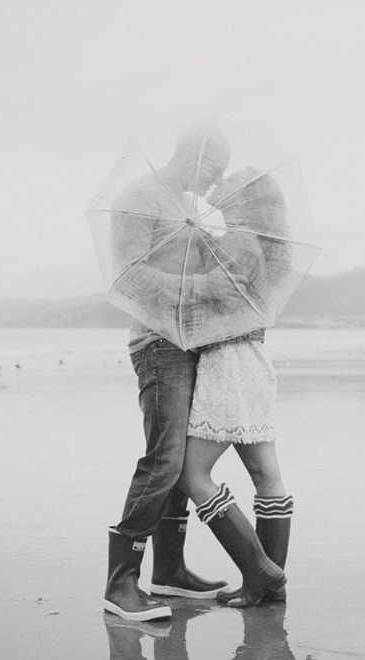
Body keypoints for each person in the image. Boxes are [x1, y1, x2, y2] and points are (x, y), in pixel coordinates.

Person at [102, 127, 248, 622]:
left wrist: (218, 253)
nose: (216, 179)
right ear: (192, 154)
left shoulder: (186, 210)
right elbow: (130, 275)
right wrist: (200, 281)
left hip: (188, 342)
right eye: (214, 167)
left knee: (182, 455)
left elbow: (192, 272)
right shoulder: (139, 199)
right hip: (156, 343)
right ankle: (120, 582)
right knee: (164, 458)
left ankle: (169, 570)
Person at [176, 168, 294, 608]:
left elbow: (219, 297)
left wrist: (196, 254)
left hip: (227, 361)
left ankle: (261, 572)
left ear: (244, 196)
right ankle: (272, 584)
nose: (219, 182)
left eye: (231, 179)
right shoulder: (259, 241)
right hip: (254, 361)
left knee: (191, 474)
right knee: (266, 474)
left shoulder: (235, 240)